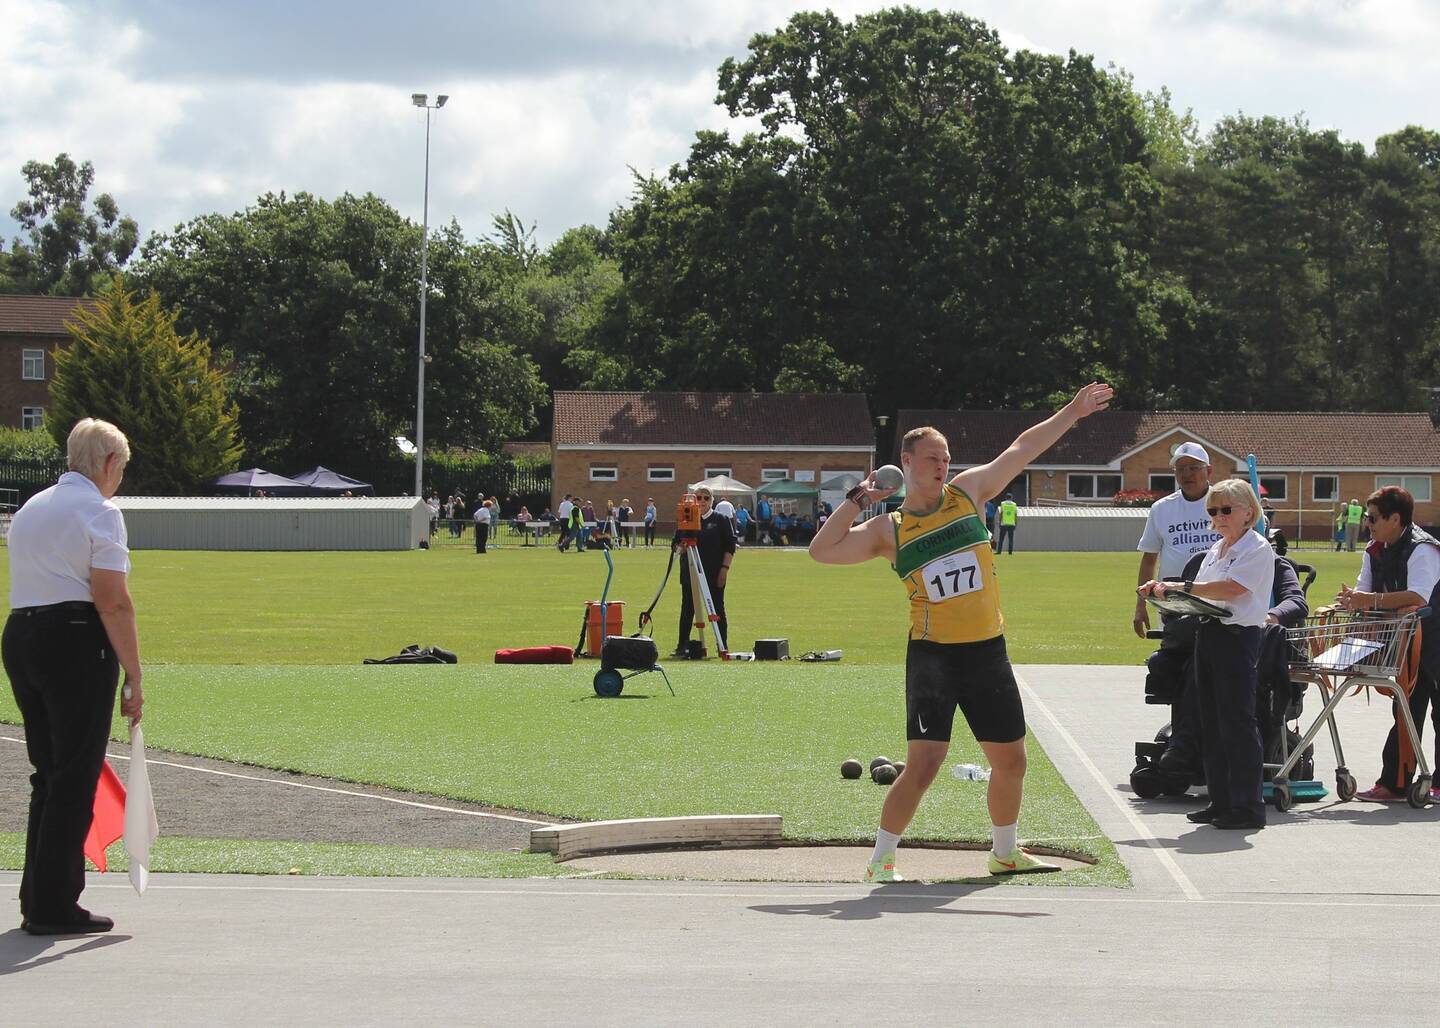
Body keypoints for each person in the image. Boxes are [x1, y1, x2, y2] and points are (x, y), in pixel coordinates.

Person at [808, 382, 1113, 882]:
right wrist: (860, 498)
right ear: (906, 462)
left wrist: (1073, 412)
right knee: (925, 764)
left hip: (987, 650)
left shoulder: (969, 493)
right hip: (934, 657)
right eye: (931, 458)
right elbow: (822, 551)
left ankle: (1005, 853)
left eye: (945, 457)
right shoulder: (891, 528)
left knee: (1012, 762)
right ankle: (880, 860)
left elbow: (1023, 448)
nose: (941, 465)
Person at [5, 418, 143, 935]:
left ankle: (38, 895)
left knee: (49, 772)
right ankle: (54, 904)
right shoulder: (100, 512)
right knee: (74, 775)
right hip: (74, 639)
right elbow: (112, 599)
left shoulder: (32, 507)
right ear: (109, 464)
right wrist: (134, 672)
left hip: (22, 632)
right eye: (122, 468)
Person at [1139, 478, 1275, 830]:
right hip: (1210, 633)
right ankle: (1221, 801)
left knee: (1238, 723)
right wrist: (1162, 592)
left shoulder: (1256, 548)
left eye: (1226, 509)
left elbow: (1232, 589)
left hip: (1238, 637)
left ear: (1248, 512)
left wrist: (1179, 586)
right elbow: (1203, 597)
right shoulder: (1216, 550)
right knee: (1210, 722)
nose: (1219, 516)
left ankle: (1247, 806)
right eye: (1213, 510)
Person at [1336, 486, 1440, 803]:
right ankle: (1395, 782)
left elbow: (1420, 595)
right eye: (1368, 517)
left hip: (1435, 636)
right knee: (1405, 708)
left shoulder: (1423, 548)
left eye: (1373, 517)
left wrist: (1372, 600)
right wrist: (1350, 601)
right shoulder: (1375, 549)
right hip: (1406, 638)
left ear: (1395, 519)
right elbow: (1362, 590)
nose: (1369, 523)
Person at [1133, 442, 1219, 639]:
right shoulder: (1161, 508)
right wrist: (1141, 605)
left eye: (1194, 468)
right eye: (1180, 469)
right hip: (1171, 600)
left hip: (1216, 599)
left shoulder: (1224, 503)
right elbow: (1149, 559)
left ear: (1209, 471)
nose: (1187, 474)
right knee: (1172, 658)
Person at [673, 487, 736, 658]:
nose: (701, 501)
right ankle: (682, 646)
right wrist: (681, 548)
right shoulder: (686, 518)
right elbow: (675, 544)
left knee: (717, 608)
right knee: (687, 608)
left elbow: (730, 545)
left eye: (705, 498)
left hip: (713, 571)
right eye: (698, 497)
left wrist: (724, 569)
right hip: (690, 571)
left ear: (711, 500)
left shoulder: (721, 519)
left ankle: (722, 644)